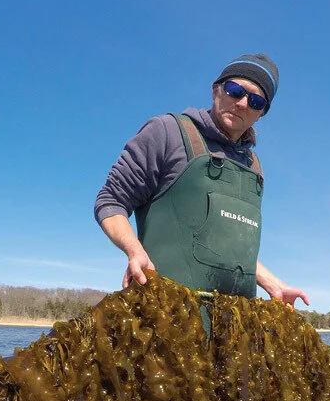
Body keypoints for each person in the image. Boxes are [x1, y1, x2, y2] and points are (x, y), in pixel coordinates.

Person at [94, 53, 310, 307]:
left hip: (235, 320)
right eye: (235, 90)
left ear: (261, 114)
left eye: (256, 101)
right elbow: (111, 200)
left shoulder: (254, 167)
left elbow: (226, 247)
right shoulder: (167, 132)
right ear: (216, 90)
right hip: (166, 312)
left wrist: (274, 284)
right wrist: (134, 250)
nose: (242, 103)